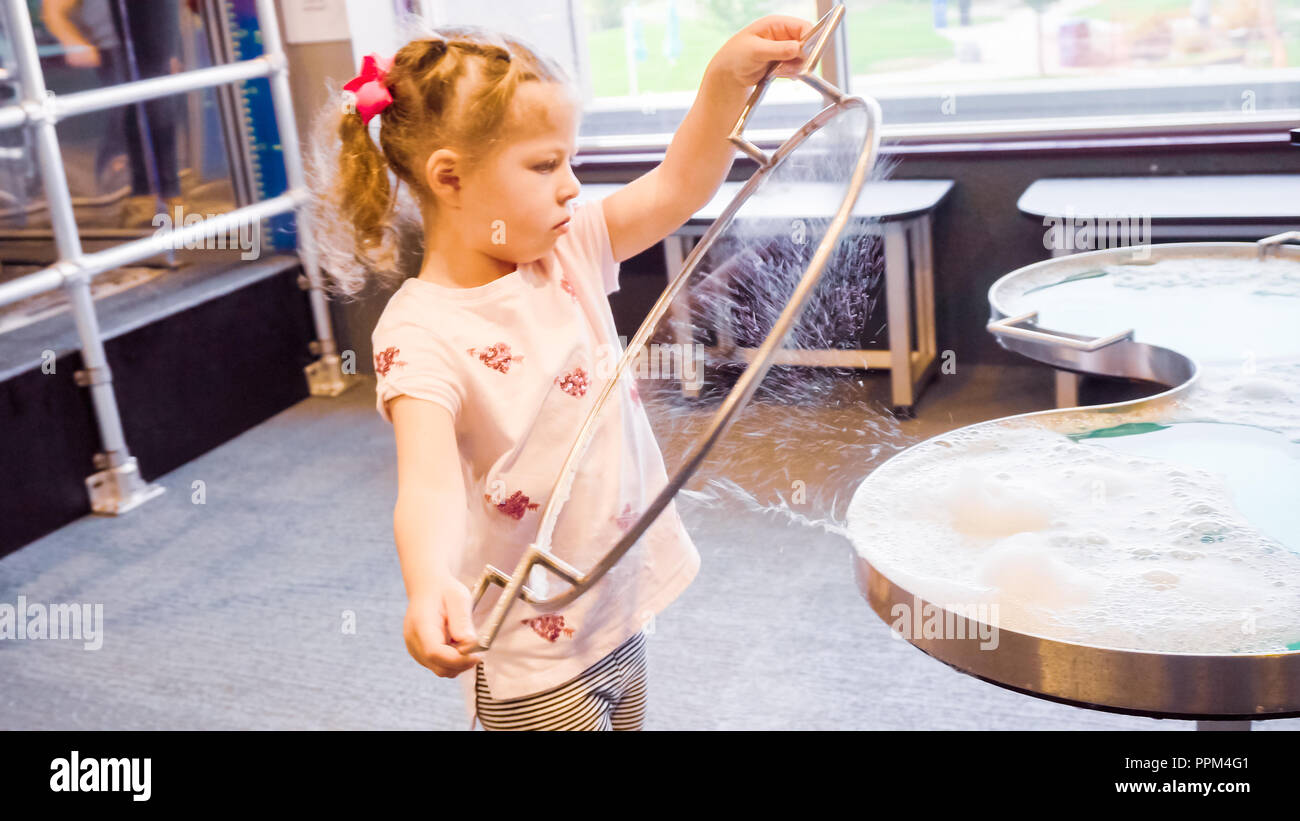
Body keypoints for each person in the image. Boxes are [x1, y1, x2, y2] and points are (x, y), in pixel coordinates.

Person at [308, 17, 811, 730]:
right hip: (532, 656)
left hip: (615, 604)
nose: (571, 187)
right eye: (545, 167)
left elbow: (678, 184)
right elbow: (428, 486)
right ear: (449, 177)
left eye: (569, 162)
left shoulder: (567, 249)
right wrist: (427, 585)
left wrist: (723, 81)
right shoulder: (421, 333)